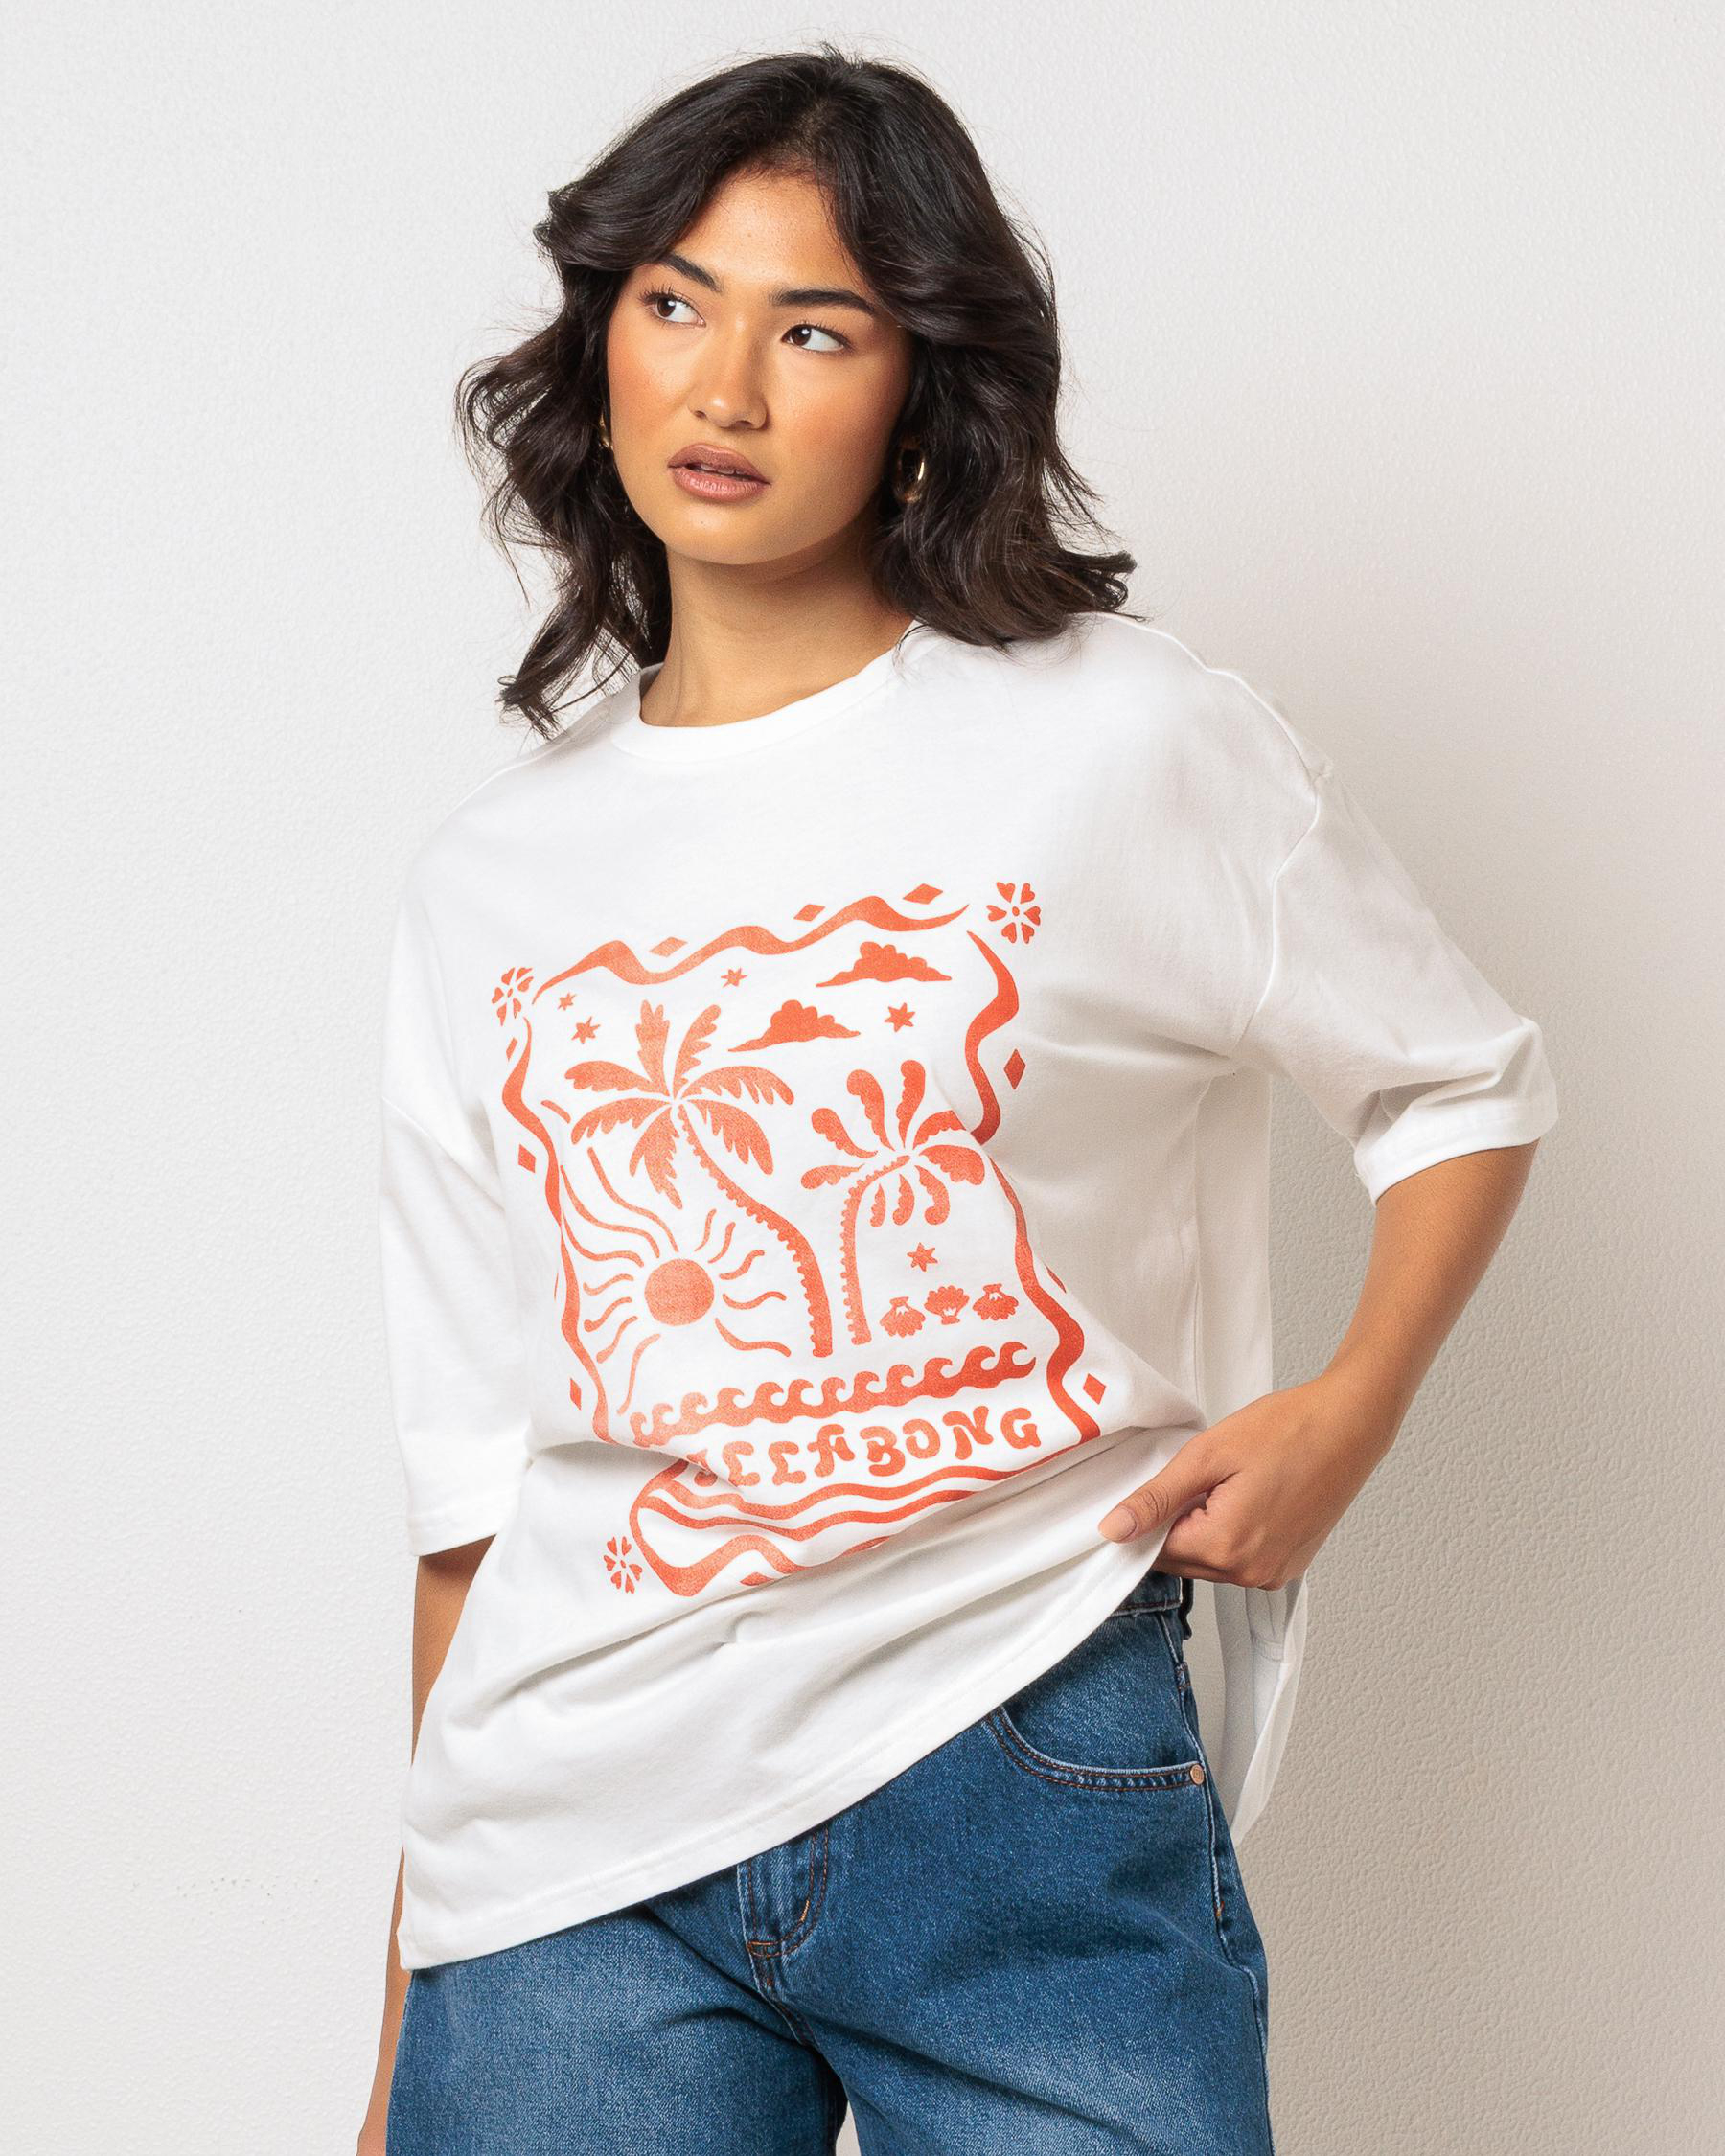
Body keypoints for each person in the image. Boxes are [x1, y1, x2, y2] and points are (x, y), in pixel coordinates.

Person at [356, 45, 1558, 2156]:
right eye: (674, 302)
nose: (725, 386)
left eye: (814, 329)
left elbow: (1460, 1082)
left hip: (1016, 1748)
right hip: (570, 1850)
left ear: (921, 386)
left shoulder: (1121, 736)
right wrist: (394, 2057)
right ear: (601, 345)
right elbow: (474, 1518)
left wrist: (1349, 1410)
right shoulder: (489, 886)